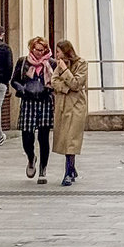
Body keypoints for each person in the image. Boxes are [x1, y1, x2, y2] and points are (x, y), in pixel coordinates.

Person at [12, 37, 54, 185]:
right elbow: (14, 80)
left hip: (44, 102)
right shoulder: (23, 62)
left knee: (43, 138)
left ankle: (43, 169)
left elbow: (57, 81)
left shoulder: (51, 64)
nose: (39, 52)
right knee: (27, 136)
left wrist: (49, 89)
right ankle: (31, 157)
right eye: (36, 49)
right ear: (31, 49)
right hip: (28, 101)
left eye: (42, 50)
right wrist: (21, 89)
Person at [52, 41, 88, 188]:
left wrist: (66, 71)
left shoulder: (81, 63)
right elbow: (53, 82)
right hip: (63, 104)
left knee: (71, 139)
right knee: (65, 138)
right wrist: (65, 88)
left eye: (59, 52)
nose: (56, 55)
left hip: (76, 106)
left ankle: (68, 172)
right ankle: (72, 168)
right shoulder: (58, 65)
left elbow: (77, 84)